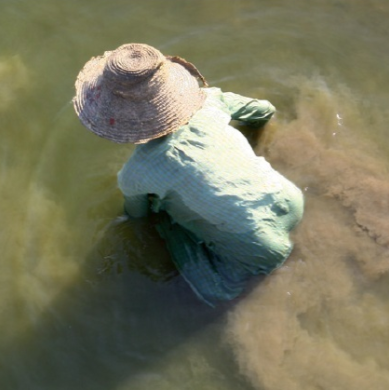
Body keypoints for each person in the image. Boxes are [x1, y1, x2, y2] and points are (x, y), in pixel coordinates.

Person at [73, 43, 304, 305]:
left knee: (215, 291)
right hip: (290, 200)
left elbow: (137, 216)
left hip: (260, 248)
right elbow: (264, 112)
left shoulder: (135, 173)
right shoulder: (211, 101)